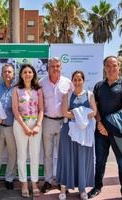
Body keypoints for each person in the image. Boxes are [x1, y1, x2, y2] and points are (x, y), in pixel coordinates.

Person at [87, 56, 122, 200]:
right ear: (104, 67)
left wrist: (106, 126)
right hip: (101, 131)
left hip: (119, 132)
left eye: (114, 65)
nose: (111, 68)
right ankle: (97, 187)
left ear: (119, 67)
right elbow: (96, 108)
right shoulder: (99, 86)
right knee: (100, 162)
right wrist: (100, 124)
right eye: (108, 66)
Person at [56, 71, 97, 200]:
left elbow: (94, 112)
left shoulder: (90, 95)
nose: (77, 82)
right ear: (72, 81)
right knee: (66, 159)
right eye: (75, 79)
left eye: (80, 79)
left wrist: (77, 114)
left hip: (84, 133)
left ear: (83, 81)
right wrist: (82, 114)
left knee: (82, 160)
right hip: (68, 132)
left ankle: (82, 189)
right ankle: (63, 188)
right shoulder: (67, 95)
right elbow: (64, 113)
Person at [39, 57, 73, 193]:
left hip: (63, 122)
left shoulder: (68, 83)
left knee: (61, 154)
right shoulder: (41, 83)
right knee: (47, 154)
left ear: (61, 67)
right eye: (52, 66)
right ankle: (48, 180)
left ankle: (60, 181)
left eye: (58, 66)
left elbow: (73, 100)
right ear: (48, 67)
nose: (55, 68)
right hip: (47, 121)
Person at [12, 64, 44, 198]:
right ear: (21, 74)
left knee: (35, 154)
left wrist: (37, 125)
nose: (27, 74)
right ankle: (24, 183)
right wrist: (25, 127)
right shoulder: (16, 90)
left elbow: (41, 109)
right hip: (20, 124)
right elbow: (15, 110)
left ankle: (34, 183)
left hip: (35, 123)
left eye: (30, 72)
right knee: (22, 155)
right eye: (25, 72)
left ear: (33, 74)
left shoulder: (38, 90)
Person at [0, 63, 17, 189]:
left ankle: (9, 178)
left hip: (12, 127)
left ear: (13, 74)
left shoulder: (17, 89)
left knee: (12, 154)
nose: (7, 74)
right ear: (2, 74)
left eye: (9, 72)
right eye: (5, 72)